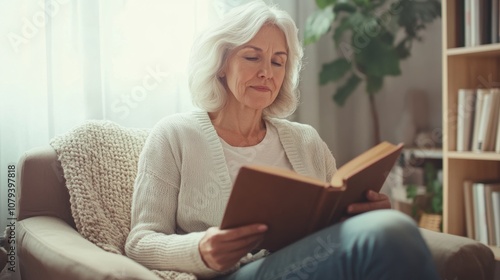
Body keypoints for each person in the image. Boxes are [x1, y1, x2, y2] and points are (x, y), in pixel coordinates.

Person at [125, 1, 440, 279]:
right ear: (221, 64)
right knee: (391, 233)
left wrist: (366, 213)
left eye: (278, 61)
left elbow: (332, 212)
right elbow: (141, 242)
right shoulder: (175, 135)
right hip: (234, 274)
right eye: (252, 57)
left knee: (390, 228)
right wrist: (202, 249)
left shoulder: (305, 140)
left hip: (312, 261)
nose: (267, 72)